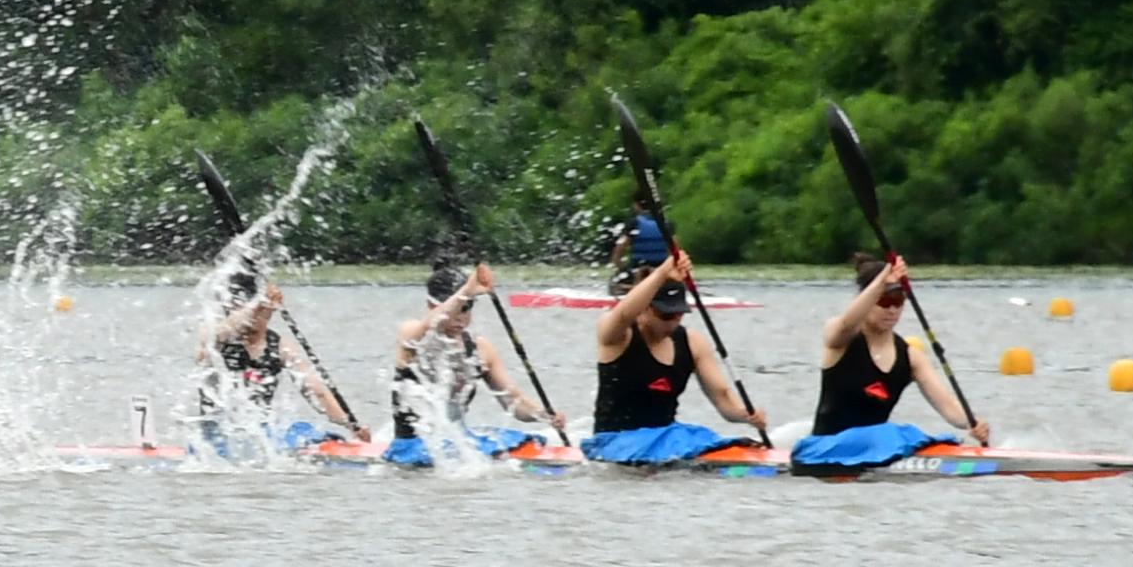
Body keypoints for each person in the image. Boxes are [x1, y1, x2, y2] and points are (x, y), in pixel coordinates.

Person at [586, 214, 769, 462]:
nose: (672, 322)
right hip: (614, 442)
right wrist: (663, 270)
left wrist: (745, 414)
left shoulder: (693, 343)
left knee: (702, 440)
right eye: (664, 314)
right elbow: (623, 312)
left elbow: (722, 397)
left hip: (666, 440)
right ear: (646, 308)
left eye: (678, 314)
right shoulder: (618, 336)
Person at [791, 252, 989, 469]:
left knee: (911, 435)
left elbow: (948, 405)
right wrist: (882, 280)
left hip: (878, 449)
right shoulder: (840, 339)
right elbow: (847, 324)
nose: (892, 310)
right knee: (896, 433)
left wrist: (972, 422)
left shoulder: (911, 356)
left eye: (898, 301)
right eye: (884, 301)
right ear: (866, 300)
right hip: (823, 450)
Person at [386, 260, 571, 463]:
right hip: (414, 445)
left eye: (466, 308)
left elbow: (514, 403)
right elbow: (432, 323)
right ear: (431, 306)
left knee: (528, 443)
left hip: (459, 440)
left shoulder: (481, 349)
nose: (460, 318)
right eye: (455, 309)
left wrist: (544, 414)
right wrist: (467, 290)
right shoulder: (411, 333)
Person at [198, 258, 360, 436]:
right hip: (217, 433)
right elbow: (227, 328)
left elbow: (317, 391)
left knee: (305, 432)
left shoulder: (281, 347)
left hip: (260, 434)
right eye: (235, 308)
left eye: (261, 310)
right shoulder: (214, 337)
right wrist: (257, 304)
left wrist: (350, 425)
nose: (252, 319)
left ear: (272, 309)